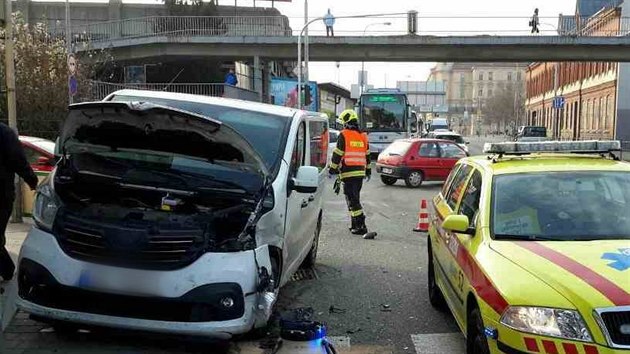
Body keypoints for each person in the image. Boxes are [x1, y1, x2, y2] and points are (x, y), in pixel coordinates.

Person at [0, 123, 38, 281]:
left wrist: (32, 180)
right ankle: (6, 268)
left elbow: (18, 160)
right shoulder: (5, 133)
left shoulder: (4, 133)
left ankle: (7, 269)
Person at [329, 109, 371, 235]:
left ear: (346, 122)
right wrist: (368, 170)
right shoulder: (363, 136)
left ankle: (361, 225)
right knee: (354, 198)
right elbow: (367, 155)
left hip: (348, 172)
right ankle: (354, 224)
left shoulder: (344, 134)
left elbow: (338, 153)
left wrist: (332, 168)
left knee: (352, 200)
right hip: (360, 173)